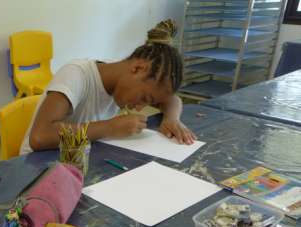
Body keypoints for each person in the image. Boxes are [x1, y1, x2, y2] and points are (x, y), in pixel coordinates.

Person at [20, 19, 196, 155]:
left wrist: (172, 119)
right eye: (144, 98)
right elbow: (40, 137)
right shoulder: (76, 75)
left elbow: (172, 99)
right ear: (138, 68)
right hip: (36, 168)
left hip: (77, 161)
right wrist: (109, 127)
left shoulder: (123, 76)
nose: (140, 107)